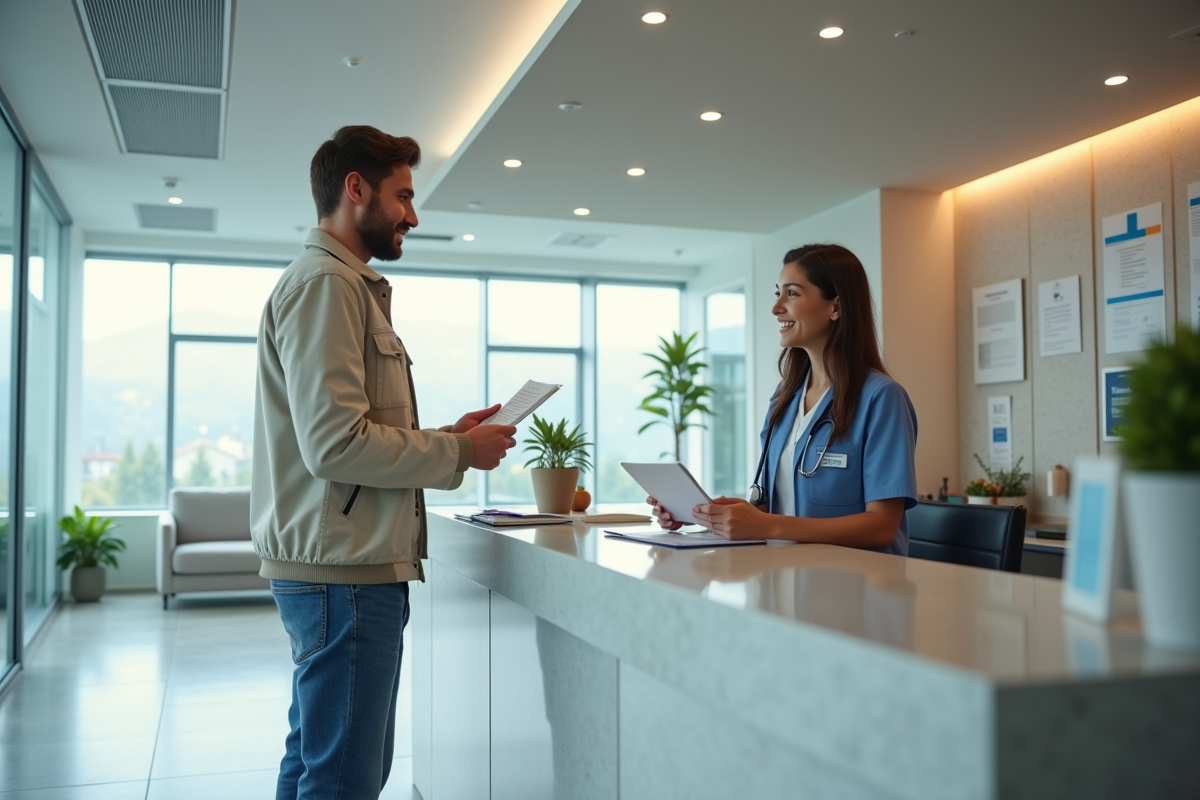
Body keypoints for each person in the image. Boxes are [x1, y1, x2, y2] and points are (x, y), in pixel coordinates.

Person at [250, 125, 517, 800]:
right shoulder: (327, 286)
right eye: (403, 196)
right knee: (343, 777)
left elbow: (349, 429)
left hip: (340, 568)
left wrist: (449, 437)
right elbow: (336, 444)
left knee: (316, 762)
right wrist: (460, 451)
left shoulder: (338, 284)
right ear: (356, 189)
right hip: (344, 575)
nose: (413, 215)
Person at [650, 243, 918, 554]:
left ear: (836, 307)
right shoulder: (784, 398)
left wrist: (767, 524)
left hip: (854, 581)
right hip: (784, 573)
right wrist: (705, 515)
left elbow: (881, 527)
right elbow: (772, 509)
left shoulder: (881, 399)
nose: (776, 307)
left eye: (792, 293)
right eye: (778, 293)